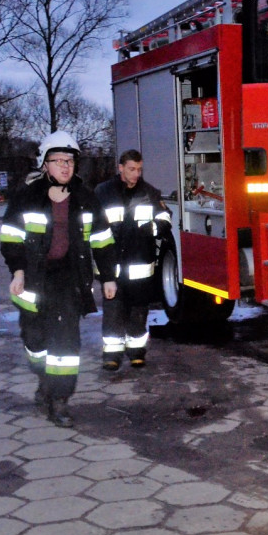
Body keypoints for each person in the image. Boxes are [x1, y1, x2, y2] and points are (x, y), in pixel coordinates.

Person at [0, 131, 117, 427]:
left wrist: (108, 277)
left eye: (70, 160)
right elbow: (10, 238)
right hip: (34, 281)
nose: (66, 166)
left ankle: (60, 401)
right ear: (45, 164)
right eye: (58, 160)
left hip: (69, 279)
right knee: (35, 341)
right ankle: (44, 379)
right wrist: (18, 270)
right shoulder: (26, 198)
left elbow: (103, 240)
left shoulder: (85, 198)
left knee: (65, 345)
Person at [94, 149, 171, 371]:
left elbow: (165, 218)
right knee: (113, 310)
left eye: (139, 169)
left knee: (138, 311)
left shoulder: (150, 193)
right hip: (112, 265)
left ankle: (137, 352)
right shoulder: (103, 192)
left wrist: (154, 228)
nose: (136, 174)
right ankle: (112, 355)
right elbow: (92, 226)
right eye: (131, 169)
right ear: (120, 168)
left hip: (140, 265)